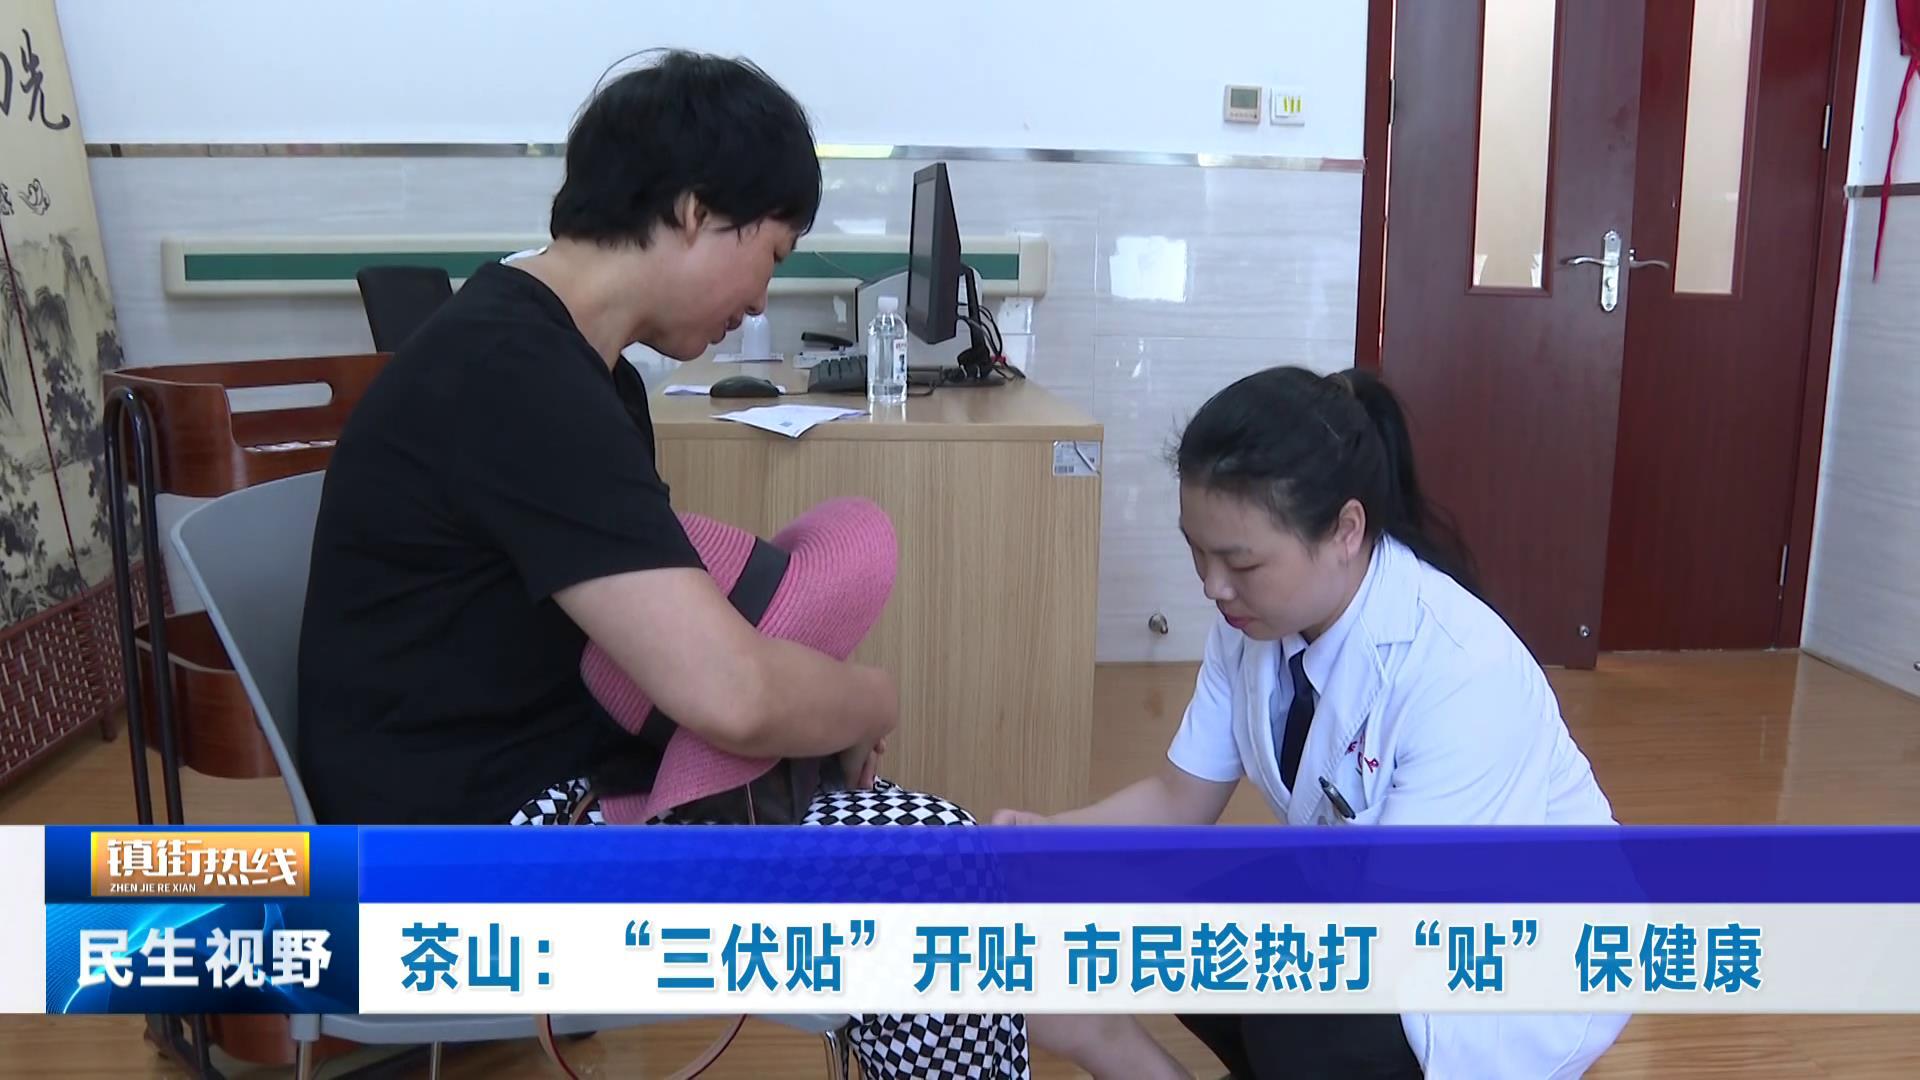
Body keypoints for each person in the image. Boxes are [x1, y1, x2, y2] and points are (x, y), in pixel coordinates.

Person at [297, 50, 1031, 1077]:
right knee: (932, 877)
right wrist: (872, 700)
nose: (761, 297)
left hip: (537, 776)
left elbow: (670, 661)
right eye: (771, 253)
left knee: (930, 854)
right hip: (460, 847)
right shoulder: (515, 376)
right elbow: (729, 695)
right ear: (695, 211)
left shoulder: (573, 370)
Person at [996, 366, 1629, 1078]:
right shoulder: (1252, 625)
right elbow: (1179, 798)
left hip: (1512, 955)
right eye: (1197, 552)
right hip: (1371, 899)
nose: (1212, 587)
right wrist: (1049, 843)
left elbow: (1390, 928)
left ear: (1346, 531)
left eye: (1240, 562)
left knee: (1281, 1014)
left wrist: (1105, 983)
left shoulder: (1462, 672)